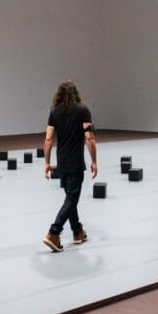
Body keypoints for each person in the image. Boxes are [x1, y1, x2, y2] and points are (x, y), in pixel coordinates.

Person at [42, 81, 97, 252]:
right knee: (72, 199)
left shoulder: (54, 111)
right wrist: (94, 160)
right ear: (75, 93)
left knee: (69, 199)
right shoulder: (82, 110)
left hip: (62, 165)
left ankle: (77, 231)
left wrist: (47, 162)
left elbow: (49, 139)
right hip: (75, 164)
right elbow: (89, 138)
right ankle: (54, 232)